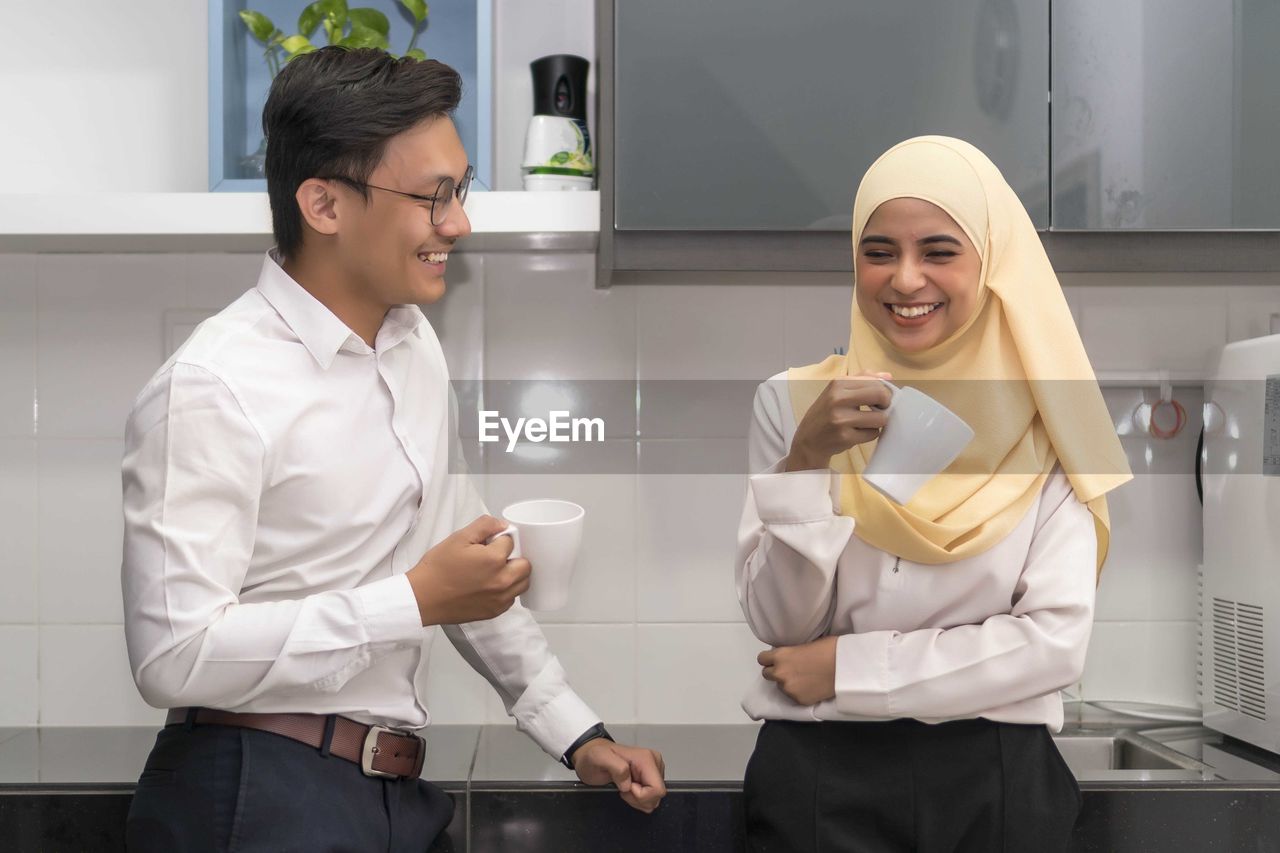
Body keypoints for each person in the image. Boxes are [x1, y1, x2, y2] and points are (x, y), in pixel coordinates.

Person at [121, 47, 665, 852]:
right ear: (324, 204)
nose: (459, 222)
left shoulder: (413, 348)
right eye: (432, 195)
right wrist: (413, 599)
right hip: (254, 792)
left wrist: (577, 731)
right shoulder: (211, 384)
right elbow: (173, 654)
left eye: (461, 188)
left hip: (393, 797)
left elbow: (459, 554)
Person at [735, 136, 1132, 853]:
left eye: (940, 251)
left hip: (997, 778)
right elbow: (780, 624)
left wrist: (849, 668)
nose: (905, 279)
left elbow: (1052, 644)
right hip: (818, 776)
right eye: (879, 250)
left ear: (992, 261)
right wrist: (805, 463)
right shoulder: (793, 404)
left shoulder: (1054, 419)